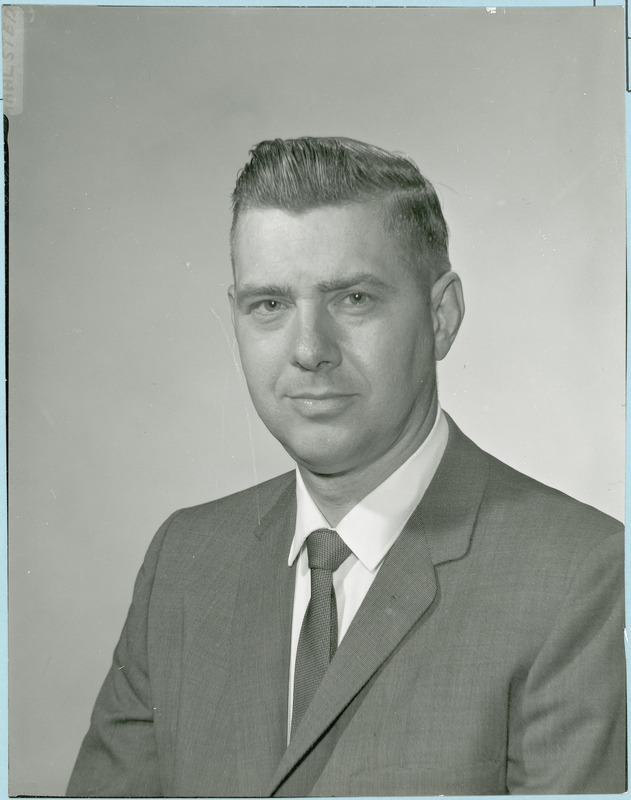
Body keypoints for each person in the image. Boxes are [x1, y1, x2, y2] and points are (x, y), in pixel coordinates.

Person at [67, 137, 626, 797]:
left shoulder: (579, 573)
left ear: (440, 316)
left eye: (353, 299)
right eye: (269, 305)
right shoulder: (185, 562)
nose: (308, 350)